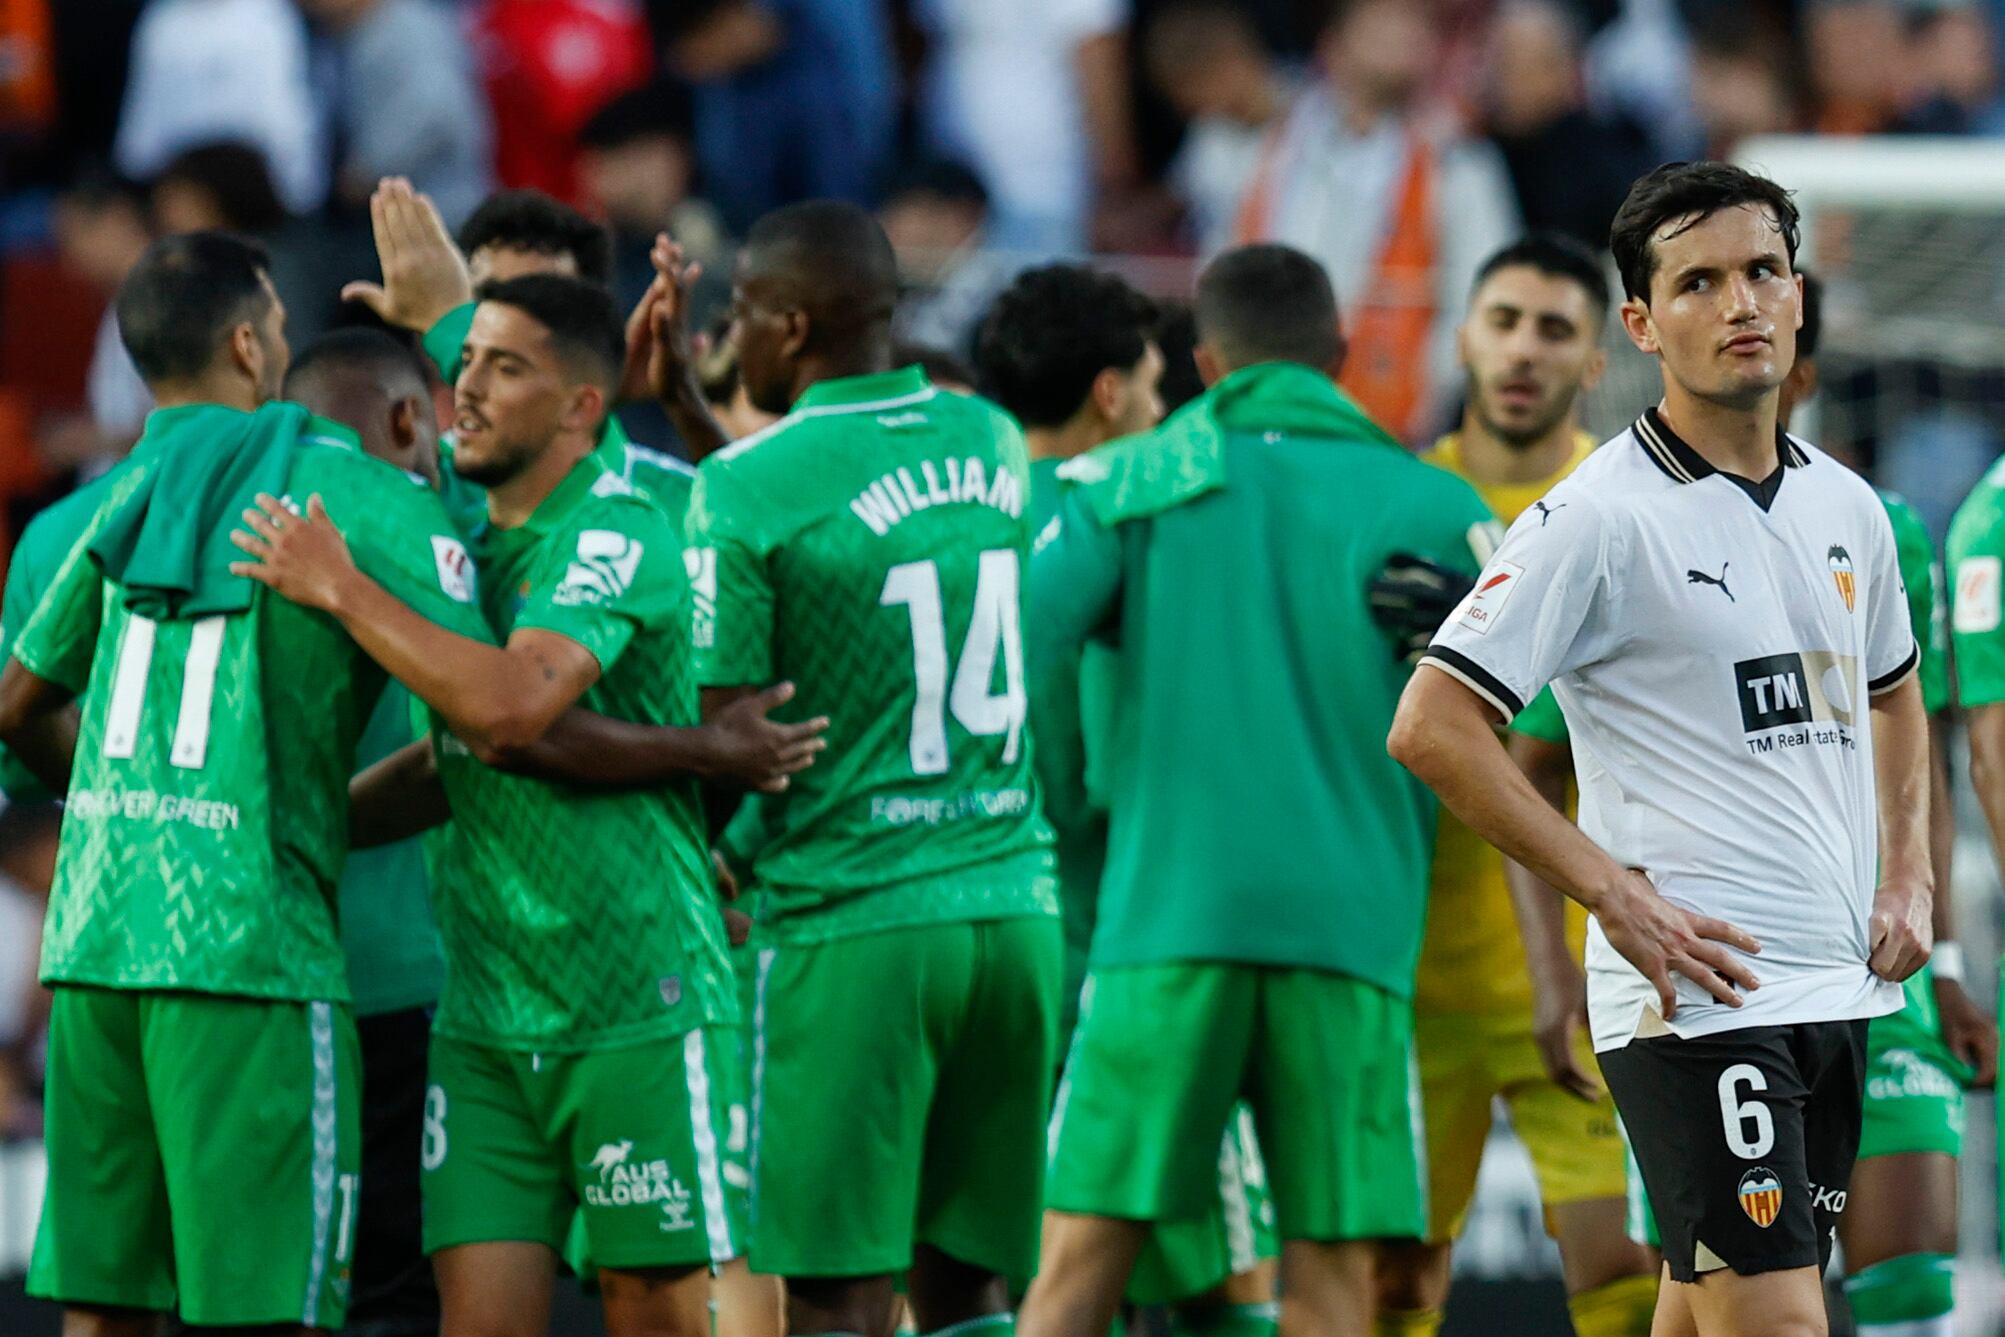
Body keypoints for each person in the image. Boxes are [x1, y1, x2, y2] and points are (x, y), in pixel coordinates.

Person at [1388, 162, 1932, 1337]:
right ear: (1639, 323)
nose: (1740, 304)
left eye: (1760, 273)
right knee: (1782, 1319)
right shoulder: (1596, 514)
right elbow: (1431, 724)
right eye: (1698, 282)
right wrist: (1609, 892)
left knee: (1693, 1305)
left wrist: (1913, 872)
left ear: (1796, 294)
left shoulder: (1851, 509)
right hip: (1694, 998)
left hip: (1831, 981)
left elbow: (1895, 694)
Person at [229, 273, 826, 1337]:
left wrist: (343, 587)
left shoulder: (618, 529)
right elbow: (454, 755)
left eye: (503, 369)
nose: (466, 388)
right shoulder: (470, 550)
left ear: (582, 408)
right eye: (462, 364)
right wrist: (298, 831)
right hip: (487, 1012)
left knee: (657, 1314)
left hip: (635, 1000)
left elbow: (510, 714)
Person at [0, 230, 491, 1336]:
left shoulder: (101, 511)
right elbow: (493, 699)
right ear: (247, 342)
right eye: (274, 319)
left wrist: (126, 806)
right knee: (267, 1309)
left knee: (104, 1307)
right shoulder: (346, 496)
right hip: (254, 954)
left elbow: (13, 708)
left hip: (95, 945)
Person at [1018, 243, 1496, 1337]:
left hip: (1164, 919)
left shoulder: (1127, 483)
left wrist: (1075, 804)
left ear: (1204, 358)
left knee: (1083, 1253)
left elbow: (1029, 638)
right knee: (1326, 1265)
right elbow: (1546, 711)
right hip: (1351, 931)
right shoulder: (1432, 502)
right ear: (1336, 354)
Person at [685, 199, 1058, 1337]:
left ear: (789, 326)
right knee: (964, 1285)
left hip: (855, 926)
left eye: (742, 309)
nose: (730, 332)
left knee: (837, 1295)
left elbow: (729, 736)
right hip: (1011, 908)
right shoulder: (988, 435)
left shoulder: (741, 485)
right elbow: (844, 517)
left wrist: (710, 855)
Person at [976, 265, 1281, 1336]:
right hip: (1128, 961)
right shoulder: (1140, 527)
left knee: (1014, 1280)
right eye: (1156, 387)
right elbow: (1112, 767)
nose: (1165, 415)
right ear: (1111, 393)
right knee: (1227, 1287)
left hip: (985, 953)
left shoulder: (964, 524)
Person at [1376, 234, 1657, 1337]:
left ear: (1594, 362)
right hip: (1417, 974)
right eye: (1503, 322)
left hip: (1588, 962)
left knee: (1624, 1273)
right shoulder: (1395, 502)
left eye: (1552, 330)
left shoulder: (1628, 504)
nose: (1522, 352)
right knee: (1396, 1282)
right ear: (1463, 337)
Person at [282, 327, 453, 1337]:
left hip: (233, 974)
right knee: (395, 1289)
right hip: (399, 975)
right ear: (404, 418)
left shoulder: (189, 509)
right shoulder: (421, 517)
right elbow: (485, 735)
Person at [341, 180, 725, 520]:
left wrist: (678, 397)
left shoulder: (673, 502)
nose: (505, 328)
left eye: (541, 307)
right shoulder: (424, 485)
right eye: (488, 302)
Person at [1234, 0, 1520, 442]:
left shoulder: (1459, 162)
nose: (1404, 40)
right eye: (1383, 25)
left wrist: (1433, 396)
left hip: (1390, 428)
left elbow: (1483, 294)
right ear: (1334, 45)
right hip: (1265, 413)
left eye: (1414, 28)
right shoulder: (1270, 149)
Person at [298, 0, 493, 229]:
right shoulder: (352, 33)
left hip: (444, 213)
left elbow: (435, 114)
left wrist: (366, 171)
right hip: (408, 217)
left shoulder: (404, 28)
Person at [1141, 2, 1296, 257]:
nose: (1190, 108)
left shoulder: (1313, 114)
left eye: (1193, 89)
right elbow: (1177, 196)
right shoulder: (1208, 131)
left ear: (1230, 62)